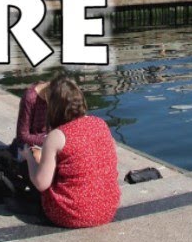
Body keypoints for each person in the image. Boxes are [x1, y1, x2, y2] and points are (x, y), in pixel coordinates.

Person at [22, 76, 120, 228]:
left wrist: (29, 157)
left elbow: (41, 184)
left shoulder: (57, 136)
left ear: (54, 107)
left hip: (72, 214)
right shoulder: (100, 123)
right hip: (107, 209)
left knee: (34, 174)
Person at [11, 80, 50, 154]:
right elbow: (22, 135)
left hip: (49, 141)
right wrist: (49, 140)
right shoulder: (30, 98)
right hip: (32, 145)